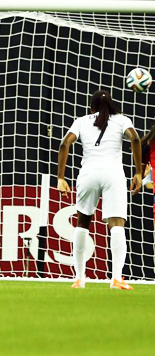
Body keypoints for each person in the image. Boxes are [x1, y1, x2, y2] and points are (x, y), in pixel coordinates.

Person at [57, 90, 141, 290]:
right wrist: (138, 172)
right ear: (112, 105)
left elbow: (64, 144)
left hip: (88, 174)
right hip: (113, 173)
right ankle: (117, 279)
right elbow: (136, 139)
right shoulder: (122, 120)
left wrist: (60, 177)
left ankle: (79, 278)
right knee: (117, 224)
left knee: (82, 222)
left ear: (91, 107)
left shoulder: (81, 121)